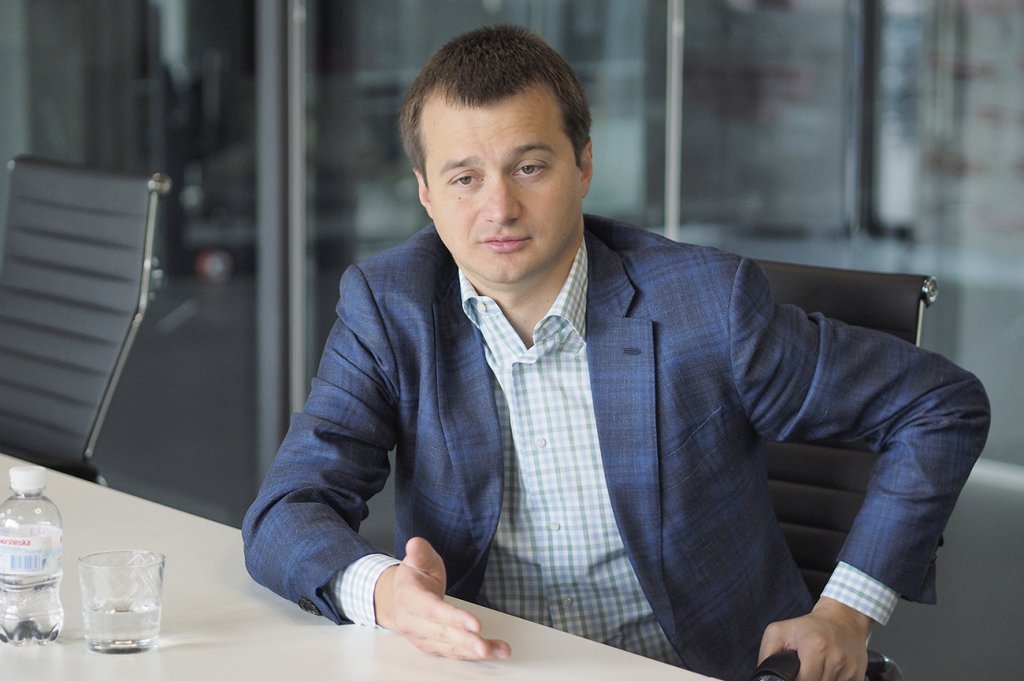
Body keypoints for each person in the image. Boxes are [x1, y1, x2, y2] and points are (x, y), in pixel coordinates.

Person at [242, 25, 990, 681]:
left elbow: (938, 404)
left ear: (584, 165)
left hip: (698, 665)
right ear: (426, 194)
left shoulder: (706, 305)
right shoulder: (390, 305)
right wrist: (384, 592)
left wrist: (847, 612)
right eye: (464, 178)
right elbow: (287, 509)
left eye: (529, 167)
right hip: (490, 664)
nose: (499, 208)